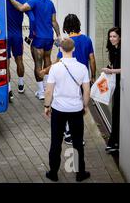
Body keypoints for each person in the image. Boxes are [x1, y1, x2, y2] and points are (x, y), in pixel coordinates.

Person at [41, 14, 97, 144]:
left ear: (66, 27)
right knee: (79, 106)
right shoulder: (87, 40)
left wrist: (44, 71)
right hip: (81, 78)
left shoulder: (66, 43)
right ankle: (76, 135)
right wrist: (93, 75)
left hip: (66, 79)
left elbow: (57, 62)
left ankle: (68, 133)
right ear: (78, 25)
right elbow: (92, 59)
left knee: (65, 104)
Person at [44, 38, 91, 182]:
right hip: (76, 109)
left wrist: (47, 106)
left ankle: (53, 173)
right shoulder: (82, 68)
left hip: (58, 109)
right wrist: (84, 105)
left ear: (60, 49)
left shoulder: (55, 68)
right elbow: (86, 90)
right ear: (74, 49)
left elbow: (48, 91)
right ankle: (79, 173)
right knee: (77, 142)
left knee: (56, 141)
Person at [6, 0, 61, 100]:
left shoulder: (32, 1)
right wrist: (59, 35)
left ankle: (41, 92)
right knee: (48, 60)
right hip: (49, 38)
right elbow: (54, 22)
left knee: (38, 64)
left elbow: (21, 8)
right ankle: (48, 89)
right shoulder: (50, 2)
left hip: (38, 39)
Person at [5, 0, 35, 102]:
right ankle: (21, 84)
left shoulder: (2, 0)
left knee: (5, 63)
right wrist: (31, 34)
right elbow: (32, 19)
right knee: (19, 60)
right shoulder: (23, 1)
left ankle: (8, 89)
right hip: (17, 35)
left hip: (5, 36)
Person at [102, 27, 122, 153]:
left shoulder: (122, 51)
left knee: (117, 113)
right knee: (115, 112)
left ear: (120, 37)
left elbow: (126, 68)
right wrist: (109, 68)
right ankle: (114, 141)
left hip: (122, 85)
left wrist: (111, 71)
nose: (112, 39)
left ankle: (116, 142)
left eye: (115, 36)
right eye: (110, 36)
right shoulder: (113, 49)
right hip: (116, 84)